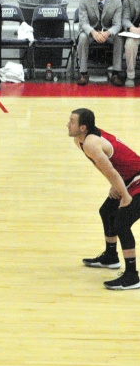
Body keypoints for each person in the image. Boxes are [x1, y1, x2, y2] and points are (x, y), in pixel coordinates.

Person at [71, 108, 140, 290]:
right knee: (107, 211)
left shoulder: (91, 143)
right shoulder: (82, 141)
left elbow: (111, 171)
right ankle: (111, 257)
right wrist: (116, 186)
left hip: (137, 179)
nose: (67, 125)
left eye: (72, 122)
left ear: (83, 127)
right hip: (128, 178)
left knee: (122, 223)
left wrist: (124, 196)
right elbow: (106, 167)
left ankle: (132, 276)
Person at [76, 0, 124, 86]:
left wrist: (107, 33)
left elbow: (117, 24)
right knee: (82, 37)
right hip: (90, 32)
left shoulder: (116, 1)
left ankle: (115, 73)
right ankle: (83, 73)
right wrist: (93, 32)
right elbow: (83, 22)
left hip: (108, 32)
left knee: (119, 38)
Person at [121, 0, 140, 88]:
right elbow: (125, 19)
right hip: (135, 32)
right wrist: (132, 28)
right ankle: (130, 76)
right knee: (130, 43)